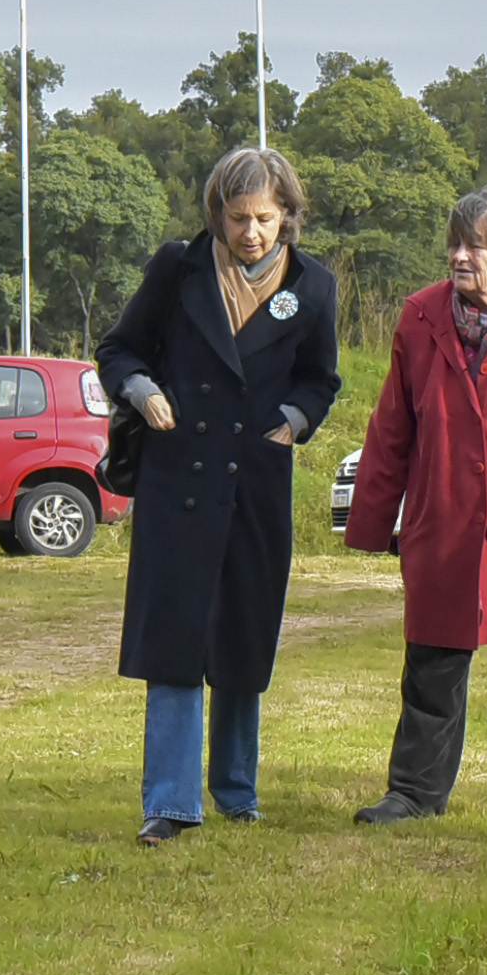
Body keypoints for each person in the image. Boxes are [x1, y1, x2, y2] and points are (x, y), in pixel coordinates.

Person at [97, 146, 343, 845]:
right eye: (238, 218)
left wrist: (291, 422)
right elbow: (118, 348)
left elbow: (320, 380)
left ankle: (237, 792)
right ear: (218, 214)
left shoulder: (314, 287)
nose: (251, 233)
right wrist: (141, 391)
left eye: (264, 218)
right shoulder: (177, 268)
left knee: (242, 637)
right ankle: (171, 802)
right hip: (177, 480)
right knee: (174, 642)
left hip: (255, 484)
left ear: (287, 215)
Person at [342, 186, 487, 825]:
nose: (459, 256)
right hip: (443, 515)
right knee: (433, 658)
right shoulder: (420, 315)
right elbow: (392, 426)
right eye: (455, 244)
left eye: (475, 245)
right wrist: (372, 520)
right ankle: (414, 792)